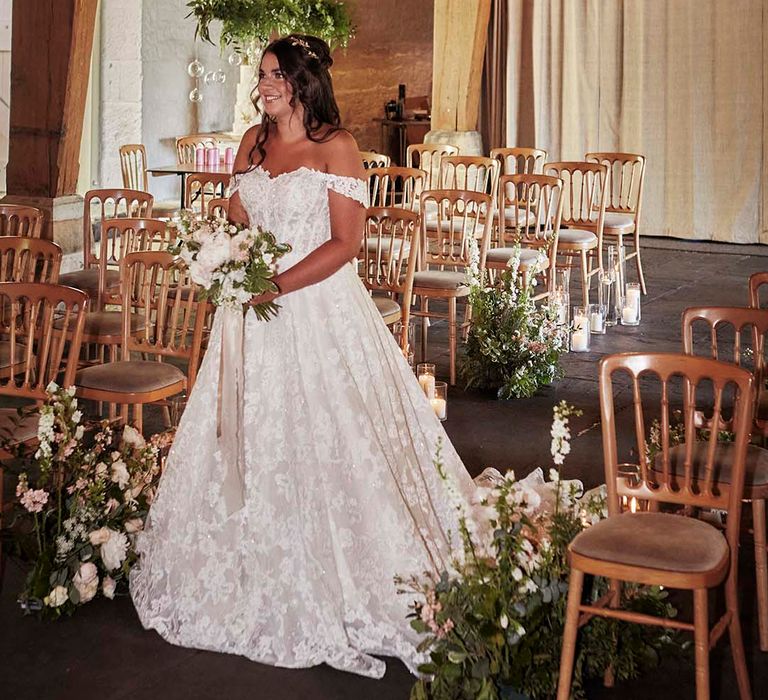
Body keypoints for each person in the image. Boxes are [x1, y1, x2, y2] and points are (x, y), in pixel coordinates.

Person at [130, 34, 475, 679]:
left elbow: (346, 244)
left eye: (274, 76)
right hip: (250, 318)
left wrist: (275, 284)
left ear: (304, 82)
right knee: (244, 435)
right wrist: (218, 249)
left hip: (316, 308)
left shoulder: (337, 149)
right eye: (261, 75)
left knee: (331, 437)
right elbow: (235, 214)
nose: (264, 86)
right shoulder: (251, 145)